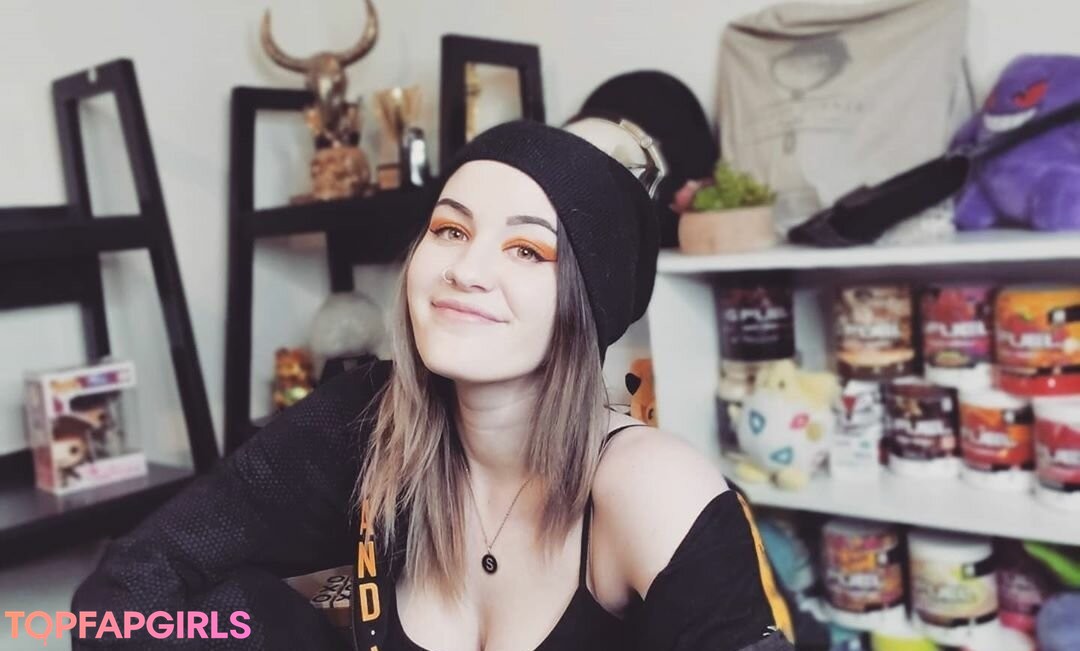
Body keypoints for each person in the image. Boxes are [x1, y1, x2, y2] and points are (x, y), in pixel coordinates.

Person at [72, 120, 794, 650]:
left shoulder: (648, 486)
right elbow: (123, 594)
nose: (465, 270)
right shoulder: (364, 420)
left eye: (526, 248)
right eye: (450, 230)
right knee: (237, 610)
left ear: (589, 302)